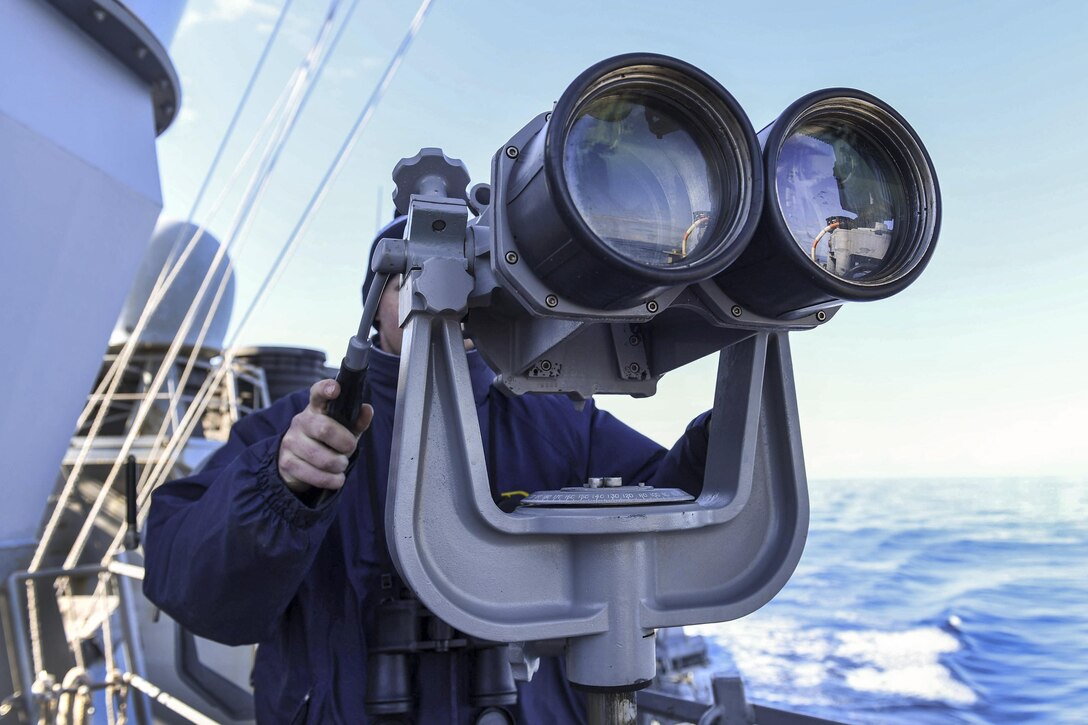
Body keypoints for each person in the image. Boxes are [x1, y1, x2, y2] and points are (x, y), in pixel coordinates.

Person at [143, 217, 709, 724]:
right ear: (373, 305)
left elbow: (672, 507)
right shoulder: (290, 429)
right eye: (408, 276)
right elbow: (189, 584)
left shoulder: (560, 423)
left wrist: (718, 440)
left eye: (465, 274)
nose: (445, 293)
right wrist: (279, 486)